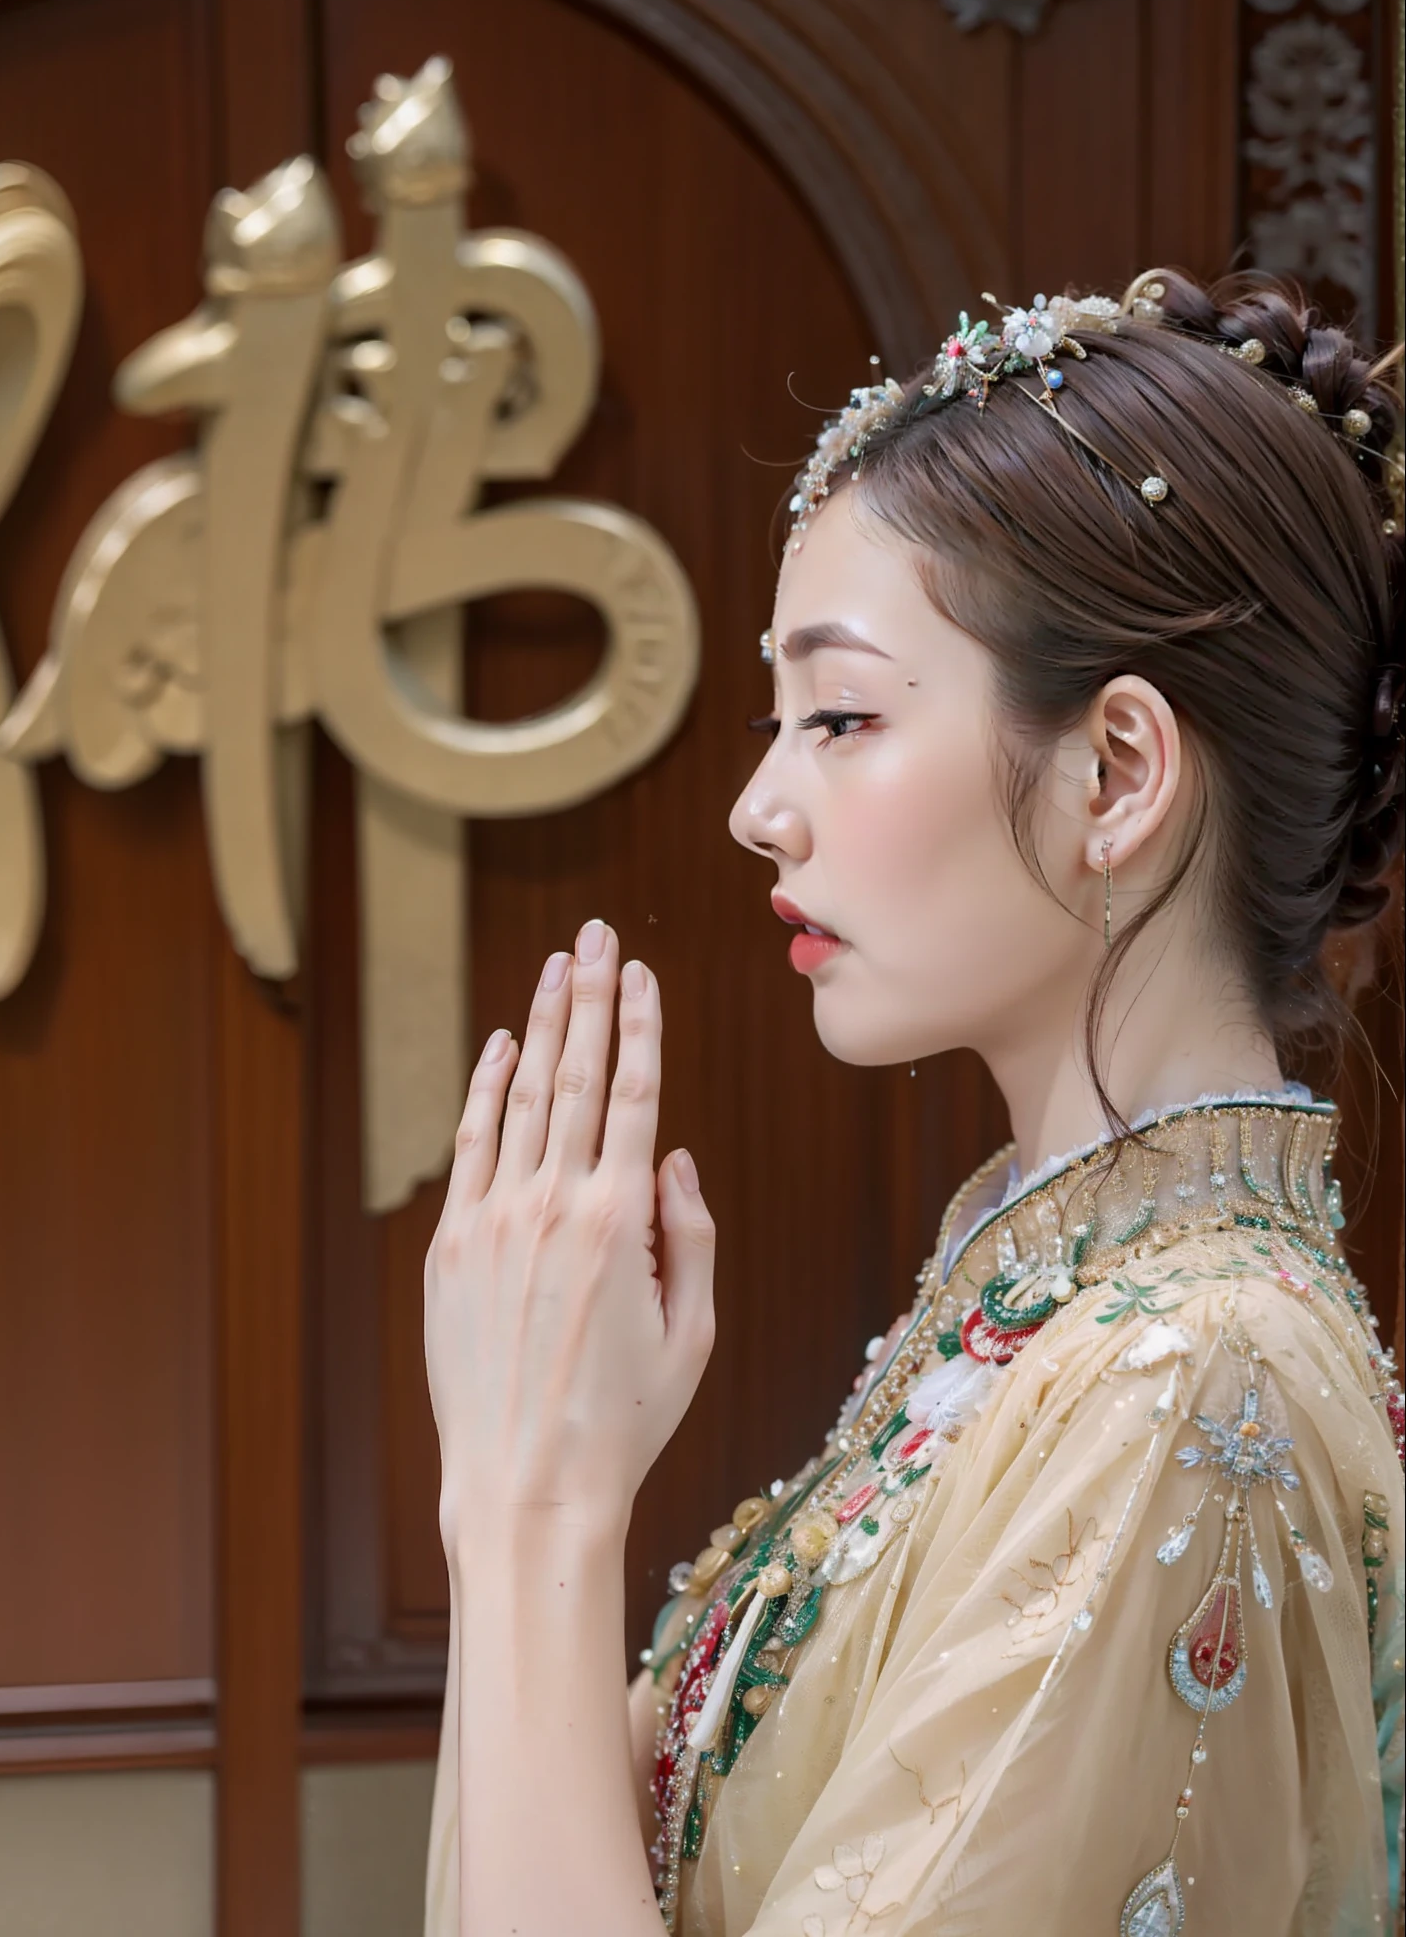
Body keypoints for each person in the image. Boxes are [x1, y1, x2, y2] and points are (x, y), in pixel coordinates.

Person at [420, 269, 1405, 1936]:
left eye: (843, 717)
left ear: (1115, 775)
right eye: (774, 720)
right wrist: (519, 1492)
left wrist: (532, 1510)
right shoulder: (1050, 1308)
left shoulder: (1185, 1381)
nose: (759, 807)